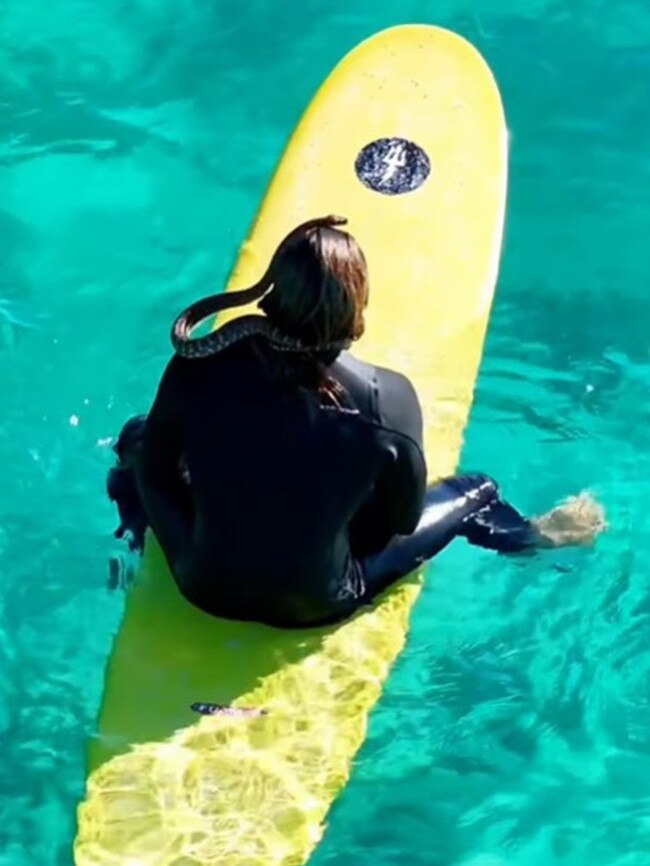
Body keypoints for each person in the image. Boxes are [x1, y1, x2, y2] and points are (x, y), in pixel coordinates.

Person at [107, 216, 605, 628]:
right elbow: (400, 522)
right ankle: (534, 538)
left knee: (139, 434)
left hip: (199, 584)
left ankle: (132, 535)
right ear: (356, 306)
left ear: (274, 295)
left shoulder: (197, 366)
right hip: (316, 602)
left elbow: (155, 473)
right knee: (478, 490)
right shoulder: (387, 399)